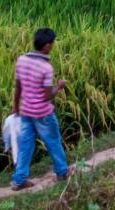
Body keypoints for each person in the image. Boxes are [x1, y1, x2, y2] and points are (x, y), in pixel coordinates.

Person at [11, 28, 71, 191]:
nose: (52, 46)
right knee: (53, 141)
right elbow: (46, 96)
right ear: (45, 46)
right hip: (43, 114)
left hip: (26, 112)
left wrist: (16, 107)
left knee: (25, 145)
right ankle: (62, 172)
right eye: (52, 43)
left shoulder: (21, 60)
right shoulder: (46, 68)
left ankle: (19, 180)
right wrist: (59, 87)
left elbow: (18, 87)